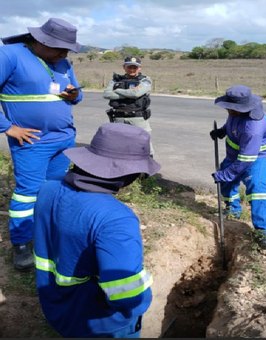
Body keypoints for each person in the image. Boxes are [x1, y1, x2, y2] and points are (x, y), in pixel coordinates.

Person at [33, 122, 161, 338]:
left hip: (58, 309)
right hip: (102, 325)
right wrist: (144, 297)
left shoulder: (48, 188)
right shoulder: (116, 219)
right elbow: (128, 297)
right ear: (129, 175)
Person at [0, 18, 83, 270]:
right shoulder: (9, 55)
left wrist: (74, 94)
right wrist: (8, 127)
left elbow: (77, 94)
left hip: (64, 140)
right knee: (28, 193)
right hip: (32, 142)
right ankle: (22, 244)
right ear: (40, 41)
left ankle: (47, 233)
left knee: (54, 189)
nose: (64, 53)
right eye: (59, 48)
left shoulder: (62, 61)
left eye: (67, 49)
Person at [210, 85, 266, 250]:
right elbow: (232, 124)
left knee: (257, 186)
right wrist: (222, 131)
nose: (228, 110)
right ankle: (233, 208)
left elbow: (247, 159)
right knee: (226, 179)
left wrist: (226, 174)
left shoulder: (253, 127)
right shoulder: (237, 113)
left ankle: (265, 231)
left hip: (259, 157)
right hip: (236, 154)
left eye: (231, 108)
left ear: (244, 108)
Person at [103, 56, 154, 156]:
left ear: (139, 68)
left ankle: (147, 169)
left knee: (144, 145)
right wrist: (129, 93)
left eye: (135, 67)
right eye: (129, 67)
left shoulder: (145, 80)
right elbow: (107, 94)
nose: (132, 69)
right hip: (119, 118)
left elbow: (136, 94)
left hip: (138, 118)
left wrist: (117, 91)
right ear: (124, 67)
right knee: (119, 145)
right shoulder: (115, 80)